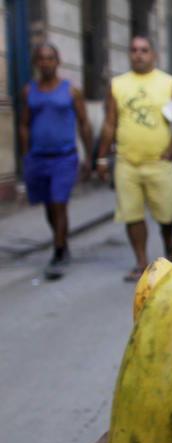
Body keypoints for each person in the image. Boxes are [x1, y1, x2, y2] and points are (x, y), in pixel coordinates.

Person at [97, 35, 172, 282]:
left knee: (168, 213)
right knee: (132, 214)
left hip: (159, 162)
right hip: (127, 162)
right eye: (134, 50)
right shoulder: (118, 84)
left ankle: (169, 237)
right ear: (129, 54)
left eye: (144, 50)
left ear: (153, 55)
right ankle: (141, 261)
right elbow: (109, 123)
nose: (139, 54)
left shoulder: (168, 83)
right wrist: (101, 158)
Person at [18, 43, 94, 280]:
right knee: (49, 206)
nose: (46, 62)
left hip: (65, 157)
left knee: (59, 202)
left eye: (50, 58)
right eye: (41, 58)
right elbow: (24, 125)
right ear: (36, 63)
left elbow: (84, 123)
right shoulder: (29, 92)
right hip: (39, 158)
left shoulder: (71, 91)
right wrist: (26, 156)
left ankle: (58, 252)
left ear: (58, 61)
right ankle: (62, 242)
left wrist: (89, 157)